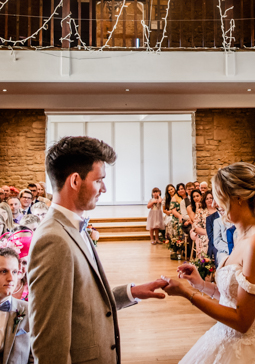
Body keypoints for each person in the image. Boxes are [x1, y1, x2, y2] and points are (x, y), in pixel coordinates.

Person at [27, 135, 168, 364]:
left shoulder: (73, 227)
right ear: (75, 181)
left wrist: (132, 292)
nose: (104, 188)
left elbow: (84, 305)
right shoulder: (53, 240)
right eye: (99, 180)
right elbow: (49, 343)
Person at [161, 162, 255, 364]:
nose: (215, 204)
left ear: (238, 198)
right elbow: (236, 297)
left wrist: (187, 294)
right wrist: (200, 284)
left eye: (219, 196)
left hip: (250, 350)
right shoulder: (242, 234)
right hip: (224, 337)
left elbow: (243, 320)